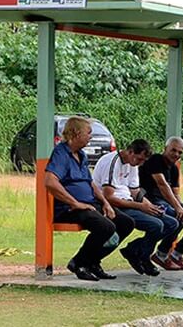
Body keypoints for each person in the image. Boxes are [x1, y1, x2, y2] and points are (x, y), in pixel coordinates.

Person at [44, 116, 134, 281]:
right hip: (69, 208)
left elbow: (90, 183)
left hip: (89, 204)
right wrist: (75, 203)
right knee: (105, 227)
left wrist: (105, 203)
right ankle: (79, 263)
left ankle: (93, 261)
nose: (91, 137)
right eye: (88, 133)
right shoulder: (61, 153)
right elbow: (50, 182)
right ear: (77, 133)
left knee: (126, 223)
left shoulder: (82, 155)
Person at [92, 139, 180, 276]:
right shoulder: (113, 162)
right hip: (114, 206)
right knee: (156, 225)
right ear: (130, 152)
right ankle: (144, 257)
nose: (141, 163)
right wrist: (140, 206)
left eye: (143, 161)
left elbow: (135, 191)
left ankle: (134, 250)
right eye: (139, 159)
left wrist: (148, 205)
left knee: (172, 223)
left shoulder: (132, 164)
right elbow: (109, 197)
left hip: (129, 202)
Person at [139, 136, 183, 271]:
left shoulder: (174, 169)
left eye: (180, 152)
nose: (176, 154)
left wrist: (182, 206)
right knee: (178, 215)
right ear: (165, 149)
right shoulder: (155, 160)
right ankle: (161, 254)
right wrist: (178, 208)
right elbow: (162, 185)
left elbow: (175, 193)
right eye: (173, 150)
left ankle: (177, 254)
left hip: (167, 203)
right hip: (151, 200)